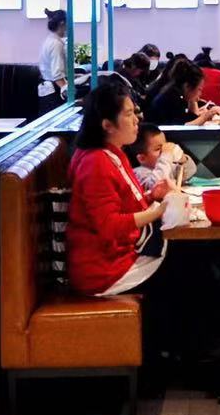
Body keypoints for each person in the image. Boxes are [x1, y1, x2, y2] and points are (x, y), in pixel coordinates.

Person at [65, 82, 174, 297]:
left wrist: (152, 196)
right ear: (107, 125)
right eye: (129, 114)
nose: (136, 120)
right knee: (185, 265)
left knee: (188, 260)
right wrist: (157, 212)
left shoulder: (113, 153)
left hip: (118, 256)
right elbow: (109, 225)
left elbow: (122, 204)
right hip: (103, 271)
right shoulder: (95, 162)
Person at [129, 122, 196, 193]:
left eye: (165, 145)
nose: (164, 150)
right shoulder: (139, 173)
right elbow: (157, 186)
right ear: (142, 158)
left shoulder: (167, 165)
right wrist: (165, 156)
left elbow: (190, 172)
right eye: (158, 149)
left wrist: (183, 160)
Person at [144, 60, 213, 126]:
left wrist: (192, 101)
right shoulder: (172, 98)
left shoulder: (177, 92)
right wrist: (206, 116)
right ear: (187, 86)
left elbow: (190, 118)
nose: (200, 94)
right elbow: (182, 127)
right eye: (199, 89)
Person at [37, 9, 69, 115]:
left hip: (46, 89)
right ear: (62, 23)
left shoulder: (50, 41)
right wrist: (69, 94)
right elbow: (58, 75)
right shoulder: (56, 44)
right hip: (54, 91)